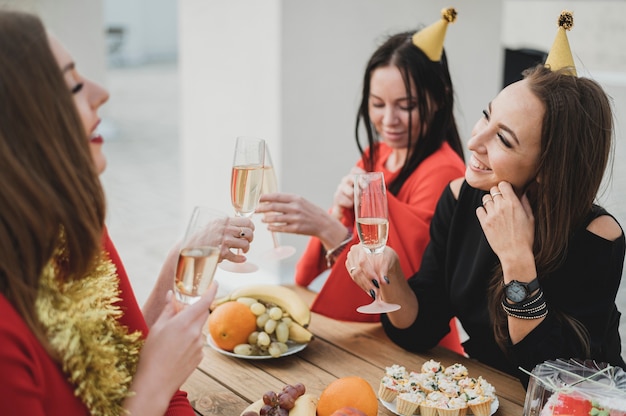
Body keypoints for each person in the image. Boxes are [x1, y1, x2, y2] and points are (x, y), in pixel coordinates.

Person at [345, 11, 626, 387]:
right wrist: (390, 273)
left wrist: (516, 260)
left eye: (504, 139)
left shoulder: (597, 235)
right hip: (483, 391)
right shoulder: (461, 198)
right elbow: (420, 329)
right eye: (486, 116)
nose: (475, 141)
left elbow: (553, 377)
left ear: (546, 167)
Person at [0, 10, 254, 414]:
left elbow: (133, 357)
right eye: (73, 85)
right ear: (19, 125)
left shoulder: (79, 231)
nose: (101, 91)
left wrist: (175, 267)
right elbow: (147, 383)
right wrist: (155, 384)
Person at [256, 9, 465, 338]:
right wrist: (338, 212)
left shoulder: (446, 172)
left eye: (406, 106)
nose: (389, 120)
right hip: (367, 339)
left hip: (419, 343)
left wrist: (328, 229)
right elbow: (306, 274)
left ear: (439, 99)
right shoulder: (375, 155)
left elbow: (407, 287)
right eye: (378, 104)